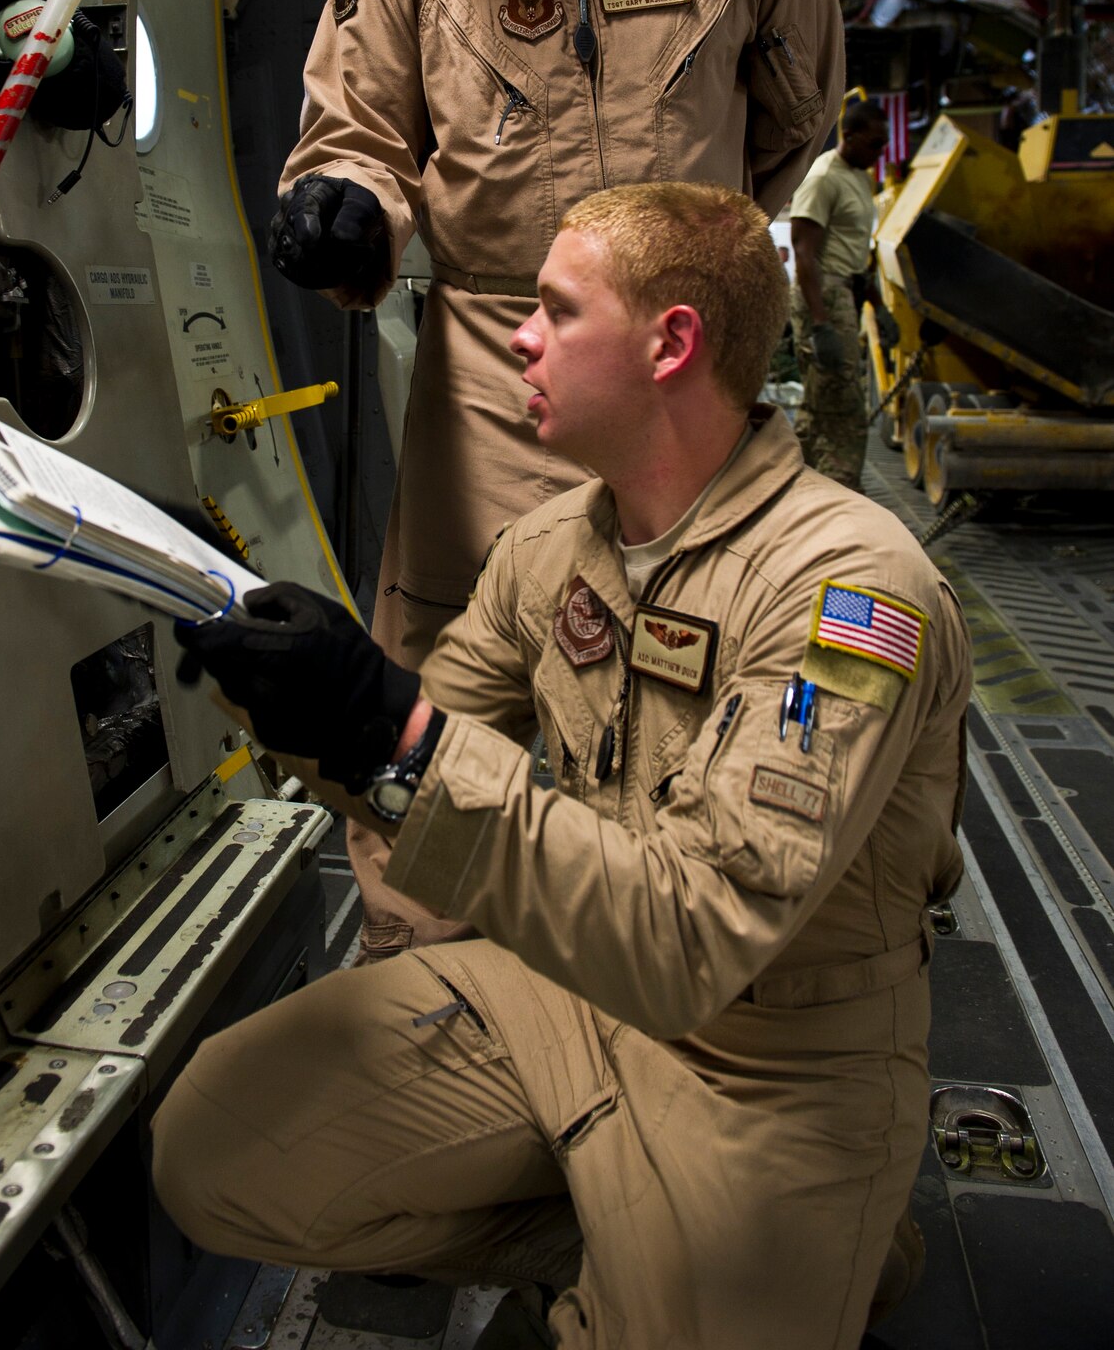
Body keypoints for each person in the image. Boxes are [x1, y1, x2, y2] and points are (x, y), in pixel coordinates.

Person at [154, 181, 972, 1350]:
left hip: (768, 1056)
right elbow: (411, 752)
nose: (519, 335)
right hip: (573, 987)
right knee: (213, 1147)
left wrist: (395, 735)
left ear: (669, 343)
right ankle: (610, 1234)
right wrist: (304, 705)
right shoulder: (551, 548)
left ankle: (824, 1239)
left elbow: (696, 931)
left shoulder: (845, 589)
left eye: (553, 308)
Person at [266, 0, 845, 957]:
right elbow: (351, 135)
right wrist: (353, 212)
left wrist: (681, 273)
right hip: (489, 383)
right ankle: (433, 994)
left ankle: (661, 985)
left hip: (674, 386)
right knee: (445, 700)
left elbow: (789, 115)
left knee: (686, 682)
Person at [789, 99, 889, 489]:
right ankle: (843, 485)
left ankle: (803, 485)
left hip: (846, 288)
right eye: (874, 144)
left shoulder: (860, 177)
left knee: (821, 399)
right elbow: (803, 252)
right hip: (824, 292)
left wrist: (877, 307)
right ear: (849, 136)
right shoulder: (823, 177)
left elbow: (856, 247)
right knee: (844, 401)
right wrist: (820, 323)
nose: (879, 153)